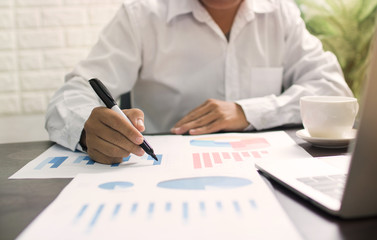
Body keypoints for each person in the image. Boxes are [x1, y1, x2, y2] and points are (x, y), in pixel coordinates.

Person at [46, 0, 353, 164]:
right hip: (161, 176)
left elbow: (332, 89)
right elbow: (71, 96)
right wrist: (88, 127)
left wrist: (250, 112)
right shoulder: (140, 14)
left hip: (270, 174)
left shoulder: (281, 12)